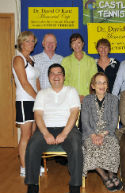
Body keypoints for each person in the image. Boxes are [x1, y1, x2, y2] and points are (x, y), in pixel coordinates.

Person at [25, 63, 82, 193]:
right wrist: (45, 133)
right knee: (32, 145)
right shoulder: (42, 93)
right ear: (49, 77)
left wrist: (64, 133)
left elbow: (74, 113)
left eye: (59, 73)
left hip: (68, 128)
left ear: (64, 76)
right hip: (46, 128)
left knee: (75, 145)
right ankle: (32, 187)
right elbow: (38, 115)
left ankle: (75, 187)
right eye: (52, 73)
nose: (56, 76)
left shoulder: (71, 91)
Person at [81, 72, 122, 191]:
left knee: (112, 145)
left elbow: (114, 122)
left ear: (107, 85)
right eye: (99, 82)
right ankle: (104, 177)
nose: (102, 85)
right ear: (93, 85)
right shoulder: (87, 100)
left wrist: (102, 134)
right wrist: (93, 135)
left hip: (108, 133)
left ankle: (111, 174)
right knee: (91, 148)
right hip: (90, 133)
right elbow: (84, 121)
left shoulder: (114, 99)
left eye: (104, 83)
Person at [12, 31, 40, 177]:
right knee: (26, 135)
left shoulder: (32, 59)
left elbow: (36, 82)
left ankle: (32, 165)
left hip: (35, 101)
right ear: (21, 42)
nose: (31, 44)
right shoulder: (18, 59)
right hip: (25, 101)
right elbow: (24, 83)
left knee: (34, 135)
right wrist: (37, 98)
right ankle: (24, 167)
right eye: (28, 41)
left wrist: (40, 97)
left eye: (32, 41)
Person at [61, 33, 97, 103]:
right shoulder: (65, 61)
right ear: (71, 46)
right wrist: (73, 95)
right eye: (73, 43)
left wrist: (87, 96)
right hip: (70, 98)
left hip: (88, 98)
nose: (76, 45)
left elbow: (94, 80)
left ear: (83, 44)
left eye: (79, 42)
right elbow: (64, 80)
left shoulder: (91, 60)